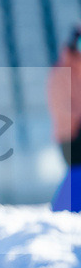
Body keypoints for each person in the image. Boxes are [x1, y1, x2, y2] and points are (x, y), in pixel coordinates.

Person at [48, 24, 81, 212]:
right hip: (70, 134)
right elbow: (61, 107)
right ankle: (63, 210)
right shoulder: (62, 70)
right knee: (76, 173)